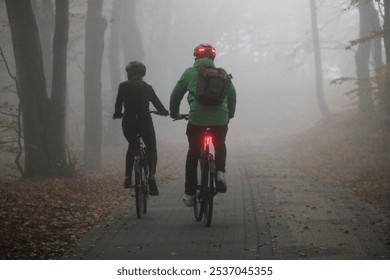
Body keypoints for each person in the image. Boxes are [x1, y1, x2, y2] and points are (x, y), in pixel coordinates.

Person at [169, 44, 236, 206]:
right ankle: (220, 172)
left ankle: (190, 193)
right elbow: (232, 95)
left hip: (197, 120)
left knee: (193, 153)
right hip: (220, 120)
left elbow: (175, 96)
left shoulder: (189, 73)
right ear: (213, 58)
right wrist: (229, 114)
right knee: (219, 144)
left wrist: (174, 114)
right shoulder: (222, 73)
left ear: (196, 57)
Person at [113, 61, 169, 196]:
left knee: (132, 147)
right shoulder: (147, 88)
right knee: (151, 149)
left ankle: (127, 178)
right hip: (145, 123)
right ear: (142, 74)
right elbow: (158, 104)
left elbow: (118, 104)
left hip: (129, 123)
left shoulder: (123, 87)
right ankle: (151, 176)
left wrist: (117, 114)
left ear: (128, 74)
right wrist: (164, 112)